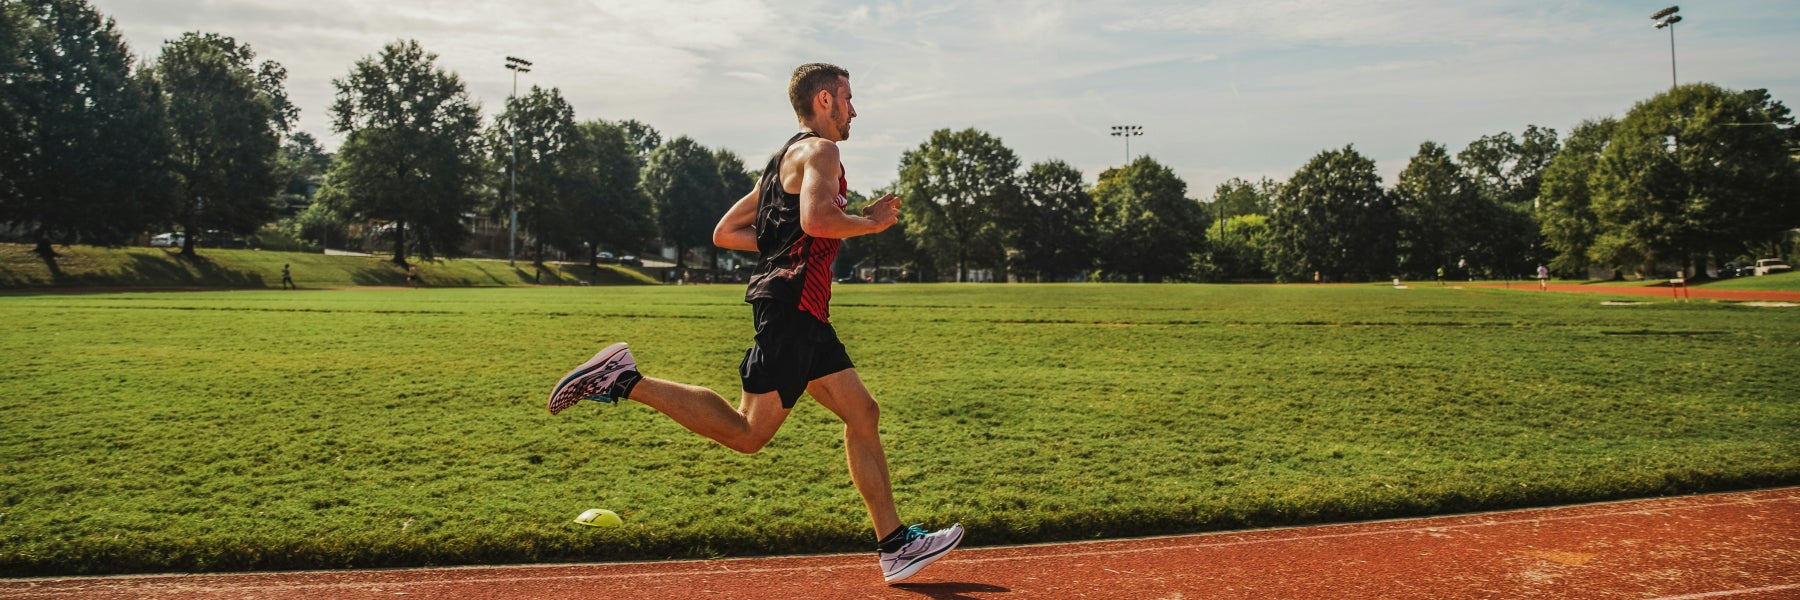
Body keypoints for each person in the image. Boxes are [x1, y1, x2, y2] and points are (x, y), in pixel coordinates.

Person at [546, 63, 962, 584]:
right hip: (791, 309)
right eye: (849, 97)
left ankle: (895, 545)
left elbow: (726, 231)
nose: (856, 108)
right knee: (747, 432)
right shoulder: (821, 151)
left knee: (863, 412)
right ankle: (623, 379)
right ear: (825, 101)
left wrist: (791, 241)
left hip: (801, 311)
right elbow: (815, 222)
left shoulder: (780, 162)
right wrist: (868, 223)